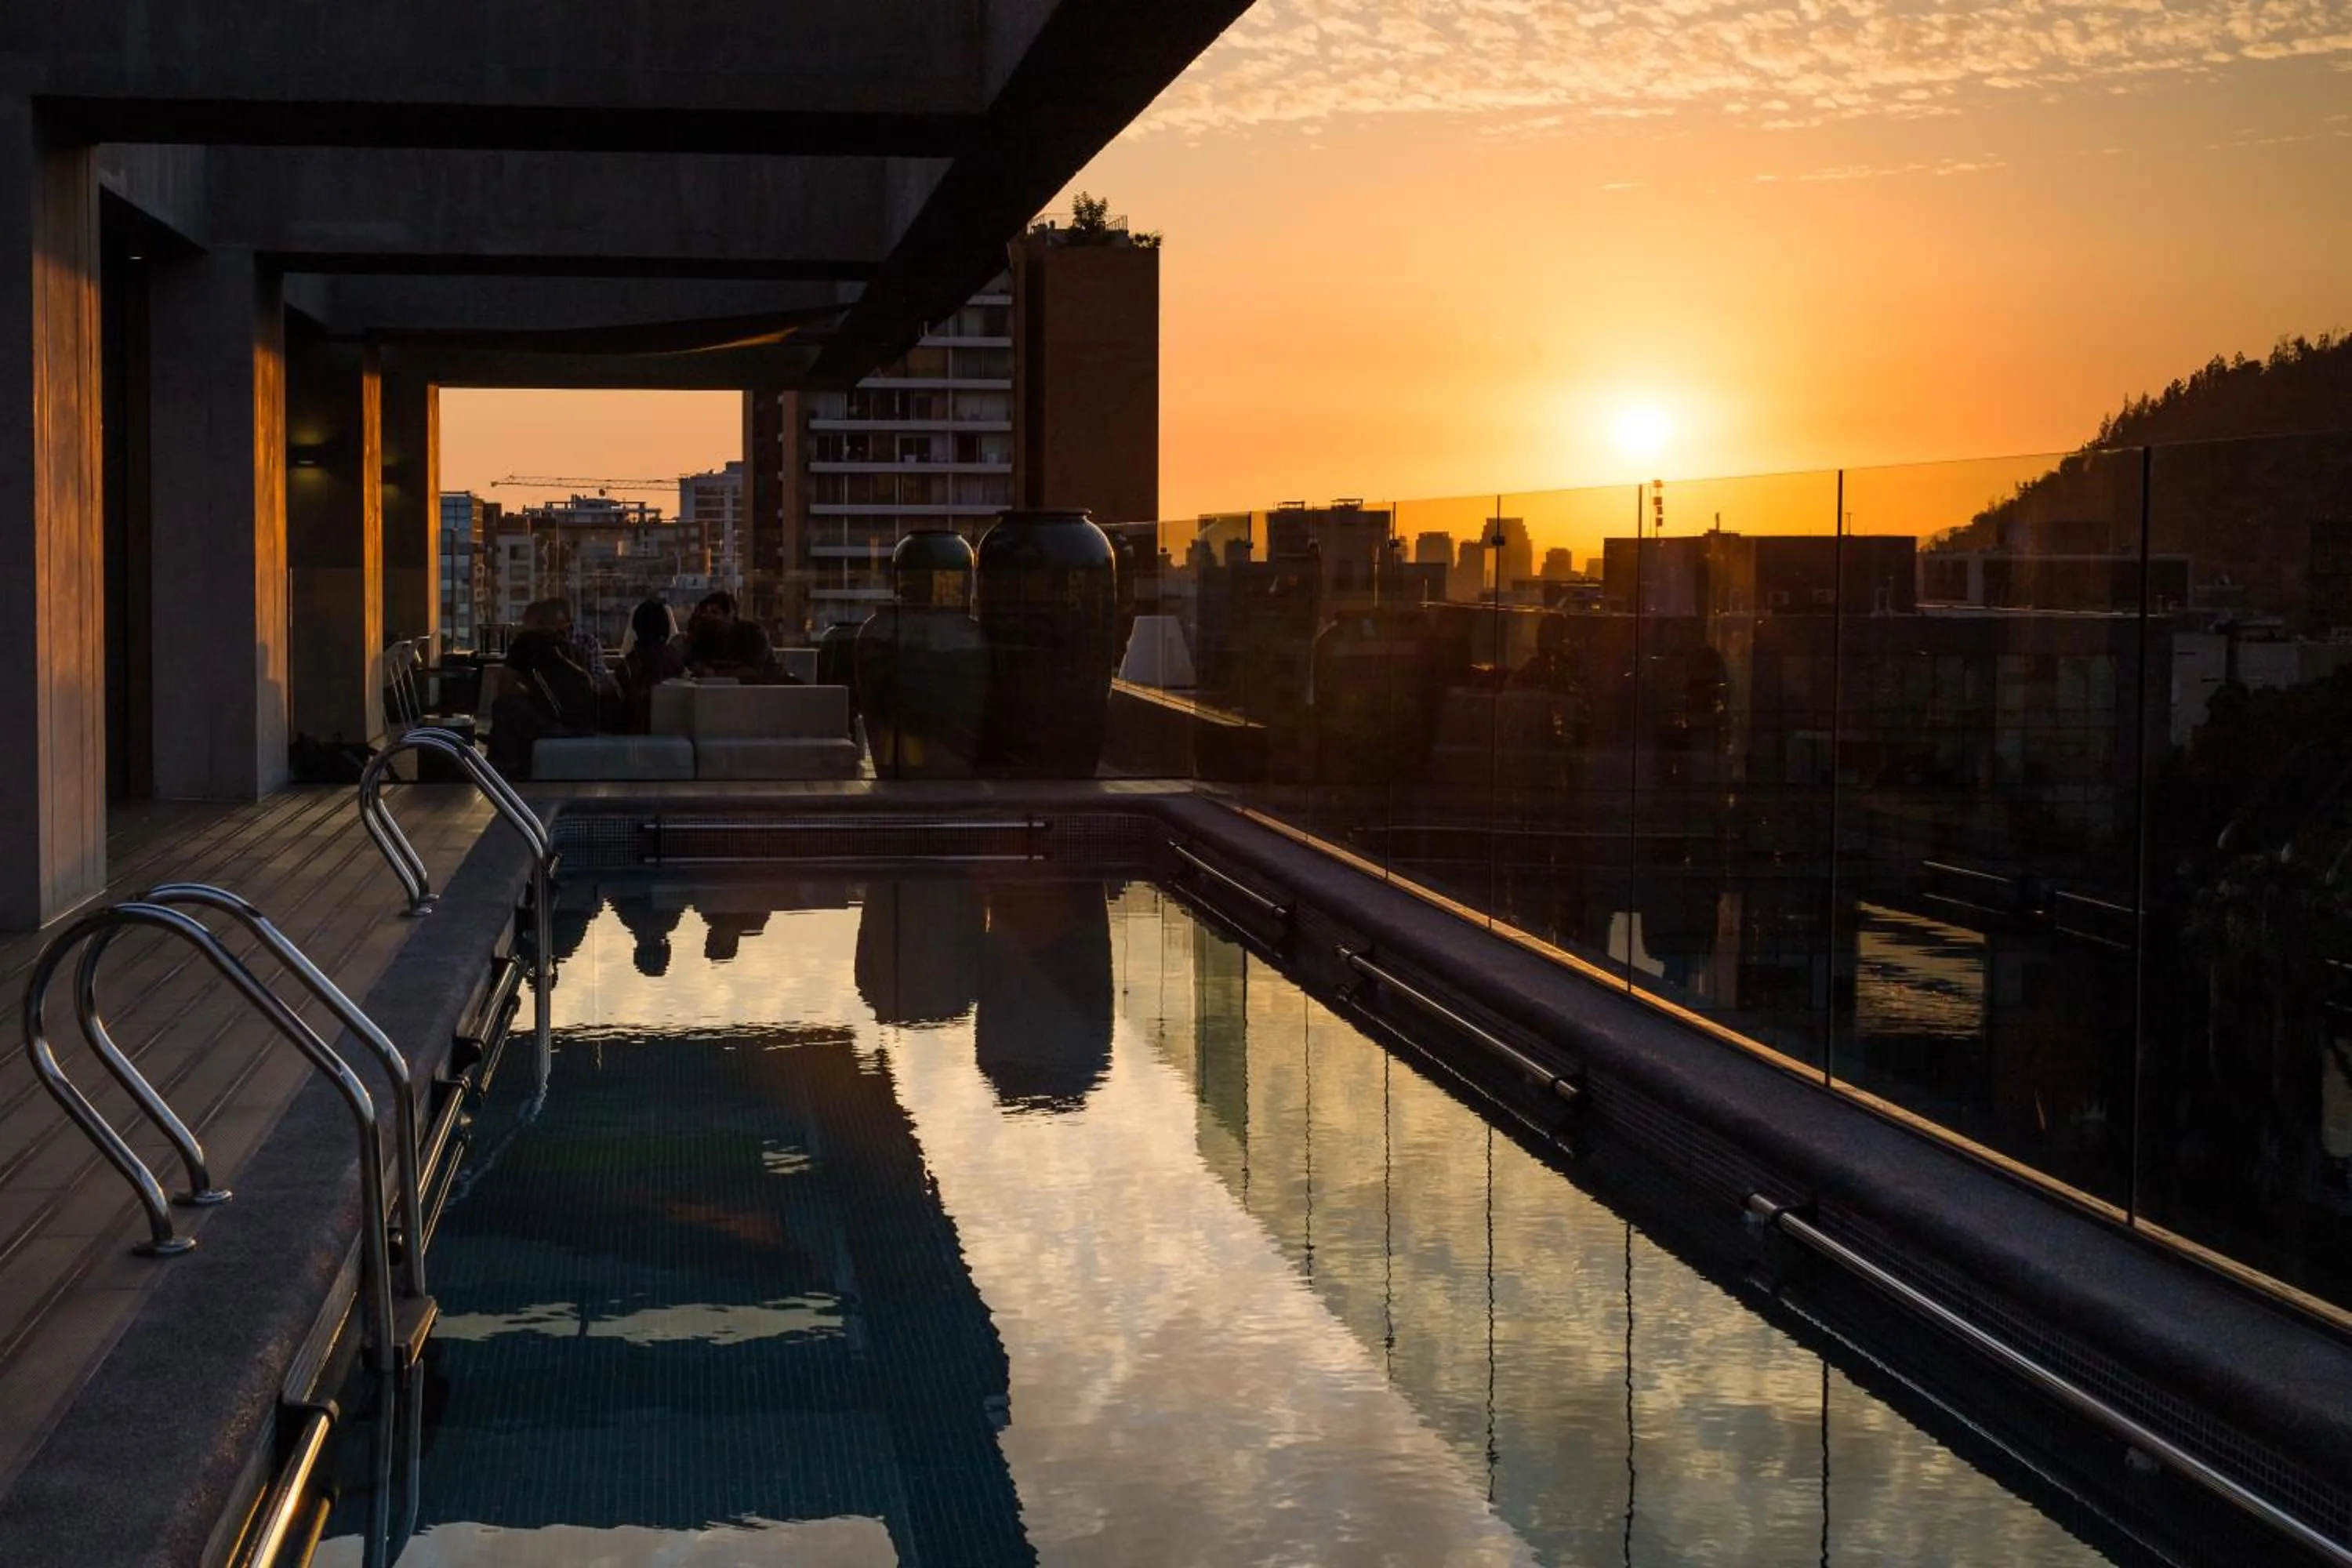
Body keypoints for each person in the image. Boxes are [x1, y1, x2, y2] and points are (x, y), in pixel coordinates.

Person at [488, 598, 601, 776]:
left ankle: (501, 765)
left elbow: (505, 687)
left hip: (556, 726)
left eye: (525, 620)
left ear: (535, 621)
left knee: (504, 706)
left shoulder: (526, 643)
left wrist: (527, 692)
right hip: (583, 726)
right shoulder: (569, 647)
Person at [615, 597, 688, 733]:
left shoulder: (629, 664)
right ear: (665, 627)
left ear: (636, 627)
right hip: (672, 730)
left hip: (635, 732)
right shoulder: (673, 658)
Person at [684, 590, 779, 680]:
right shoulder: (704, 636)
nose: (709, 618)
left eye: (715, 613)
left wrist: (716, 674)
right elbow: (693, 664)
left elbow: (754, 671)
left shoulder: (753, 634)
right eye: (704, 614)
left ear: (730, 614)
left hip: (765, 690)